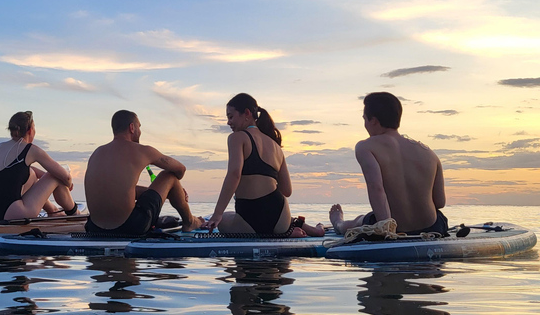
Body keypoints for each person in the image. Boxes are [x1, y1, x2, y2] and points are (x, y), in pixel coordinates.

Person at [202, 93, 324, 236]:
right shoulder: (276, 147)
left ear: (246, 113)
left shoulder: (237, 138)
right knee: (273, 220)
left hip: (250, 218)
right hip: (280, 217)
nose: (228, 122)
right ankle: (292, 227)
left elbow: (234, 175)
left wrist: (217, 215)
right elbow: (287, 191)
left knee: (223, 220)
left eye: (231, 117)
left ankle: (293, 228)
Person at [329, 91, 448, 235]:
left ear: (373, 120)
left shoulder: (366, 147)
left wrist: (386, 230)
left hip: (393, 226)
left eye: (365, 119)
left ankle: (338, 223)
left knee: (359, 221)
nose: (365, 125)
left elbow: (376, 188)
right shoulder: (429, 153)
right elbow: (440, 202)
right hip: (432, 227)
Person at [84, 110, 204, 235]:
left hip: (94, 228)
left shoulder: (97, 153)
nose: (140, 132)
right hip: (130, 227)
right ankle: (190, 222)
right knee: (169, 176)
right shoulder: (142, 150)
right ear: (132, 127)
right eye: (139, 127)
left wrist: (168, 192)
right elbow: (180, 169)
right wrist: (174, 189)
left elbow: (119, 190)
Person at [0, 111, 80, 224]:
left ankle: (52, 210)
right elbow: (66, 177)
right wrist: (67, 184)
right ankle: (74, 213)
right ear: (30, 130)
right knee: (55, 175)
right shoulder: (31, 149)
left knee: (31, 174)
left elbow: (16, 172)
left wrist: (44, 179)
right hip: (10, 215)